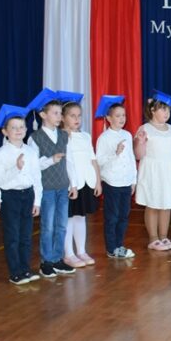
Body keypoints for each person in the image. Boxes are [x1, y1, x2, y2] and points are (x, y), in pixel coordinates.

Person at [26, 88, 78, 278]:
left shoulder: (64, 135)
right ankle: (46, 261)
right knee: (47, 226)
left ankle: (57, 259)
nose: (59, 116)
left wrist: (73, 184)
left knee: (61, 225)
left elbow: (69, 161)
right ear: (43, 115)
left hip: (62, 186)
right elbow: (33, 166)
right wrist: (50, 160)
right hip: (46, 188)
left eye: (60, 113)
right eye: (55, 113)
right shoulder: (35, 138)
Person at [0, 105, 42, 285]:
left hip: (27, 195)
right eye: (13, 127)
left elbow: (36, 178)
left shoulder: (31, 151)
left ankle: (25, 269)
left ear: (26, 129)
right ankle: (15, 272)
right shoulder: (1, 153)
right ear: (5, 131)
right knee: (12, 235)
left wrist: (37, 201)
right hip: (10, 197)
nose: (18, 130)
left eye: (21, 127)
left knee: (26, 236)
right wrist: (16, 168)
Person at [134, 90, 171, 251]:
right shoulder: (145, 128)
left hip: (169, 171)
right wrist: (141, 142)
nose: (167, 113)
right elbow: (138, 155)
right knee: (153, 204)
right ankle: (153, 238)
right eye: (163, 109)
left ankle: (163, 236)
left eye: (168, 109)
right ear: (152, 110)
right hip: (153, 172)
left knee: (166, 204)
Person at [61, 96, 101, 267]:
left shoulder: (85, 136)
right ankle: (68, 254)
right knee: (68, 218)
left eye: (79, 115)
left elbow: (93, 159)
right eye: (72, 116)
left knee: (80, 217)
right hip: (72, 184)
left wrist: (98, 181)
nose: (77, 119)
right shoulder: (62, 137)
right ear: (63, 118)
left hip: (86, 182)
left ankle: (81, 251)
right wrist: (72, 184)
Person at [95, 95, 136, 259]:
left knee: (123, 216)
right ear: (109, 118)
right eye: (117, 116)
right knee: (112, 217)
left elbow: (131, 158)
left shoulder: (127, 135)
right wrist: (115, 153)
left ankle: (120, 244)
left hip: (126, 182)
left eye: (123, 115)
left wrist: (133, 180)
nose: (122, 119)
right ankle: (111, 248)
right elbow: (99, 161)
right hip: (111, 182)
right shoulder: (104, 138)